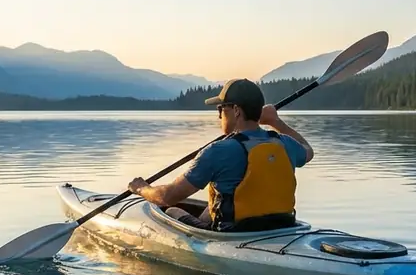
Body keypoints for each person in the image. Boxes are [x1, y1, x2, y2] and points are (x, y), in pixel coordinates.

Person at [127, 78, 312, 232]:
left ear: (237, 111)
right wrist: (275, 121)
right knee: (212, 206)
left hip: (234, 234)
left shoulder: (217, 151)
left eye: (221, 109)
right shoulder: (285, 143)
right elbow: (307, 150)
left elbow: (168, 197)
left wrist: (142, 188)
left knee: (172, 210)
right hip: (282, 227)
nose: (219, 116)